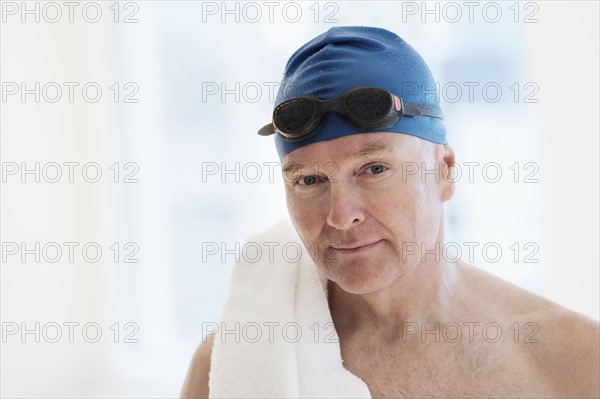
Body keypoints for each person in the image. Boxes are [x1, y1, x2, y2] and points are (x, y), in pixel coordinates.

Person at [182, 27, 599, 398]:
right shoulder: (229, 366)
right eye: (308, 180)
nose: (341, 216)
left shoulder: (574, 361)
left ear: (444, 171)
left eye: (374, 169)